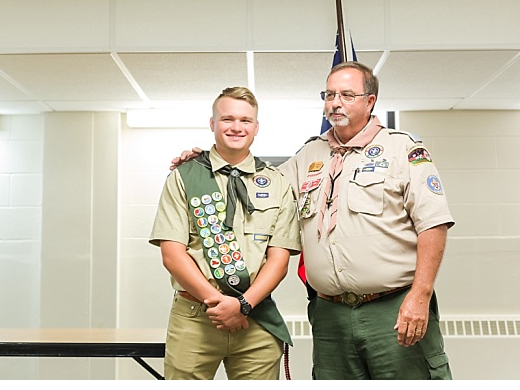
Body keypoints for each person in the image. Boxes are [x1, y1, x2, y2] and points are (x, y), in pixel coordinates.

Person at [172, 62, 454, 379]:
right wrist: (204, 164)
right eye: (330, 94)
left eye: (347, 94)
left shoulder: (402, 148)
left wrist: (421, 295)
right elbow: (257, 186)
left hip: (392, 307)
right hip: (331, 314)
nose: (335, 102)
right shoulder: (310, 154)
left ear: (370, 101)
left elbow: (433, 224)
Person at [149, 87, 299, 380]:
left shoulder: (277, 182)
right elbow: (172, 254)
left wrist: (242, 305)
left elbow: (279, 261)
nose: (236, 127)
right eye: (227, 119)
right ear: (212, 123)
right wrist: (220, 305)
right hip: (196, 317)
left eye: (245, 120)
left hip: (256, 317)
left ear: (256, 127)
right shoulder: (184, 177)